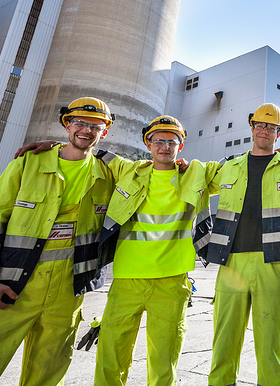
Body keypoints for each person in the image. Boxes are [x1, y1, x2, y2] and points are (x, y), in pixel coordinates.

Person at [0, 97, 116, 386]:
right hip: (8, 288)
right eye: (79, 122)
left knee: (46, 377)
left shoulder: (108, 174)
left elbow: (152, 170)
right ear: (66, 124)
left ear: (104, 133)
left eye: (95, 125)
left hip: (66, 296)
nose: (86, 130)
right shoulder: (27, 165)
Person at [194, 103, 280, 386]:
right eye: (260, 125)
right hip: (232, 264)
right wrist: (178, 163)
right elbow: (194, 176)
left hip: (272, 264)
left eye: (271, 127)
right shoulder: (228, 167)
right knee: (224, 345)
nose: (265, 130)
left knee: (271, 350)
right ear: (252, 128)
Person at [90, 116, 219, 385]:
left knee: (163, 362)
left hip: (171, 281)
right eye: (158, 140)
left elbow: (239, 169)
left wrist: (272, 152)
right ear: (148, 143)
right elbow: (92, 154)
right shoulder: (130, 172)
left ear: (180, 146)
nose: (164, 146)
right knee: (110, 357)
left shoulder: (197, 174)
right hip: (127, 279)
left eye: (171, 141)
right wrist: (52, 147)